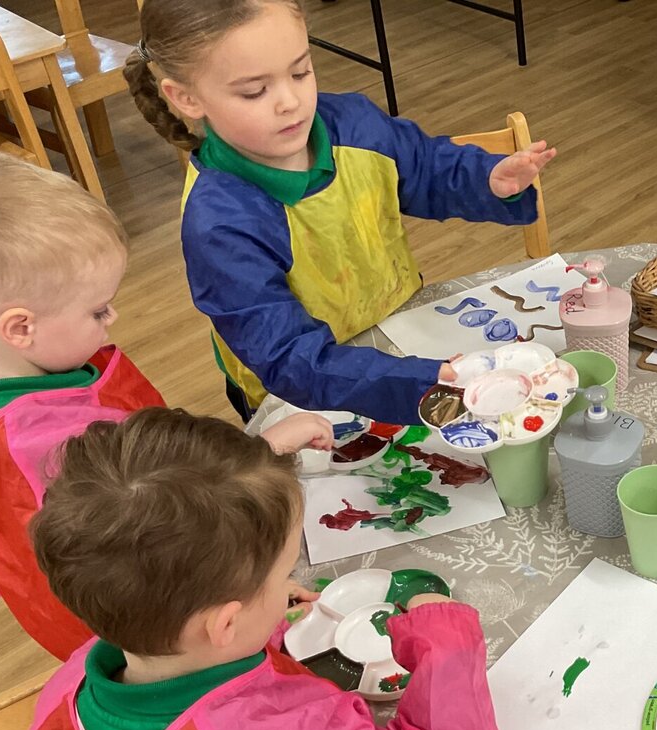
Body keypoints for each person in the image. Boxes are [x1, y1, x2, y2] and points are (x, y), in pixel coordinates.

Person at [23, 407, 500, 730]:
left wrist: (264, 617)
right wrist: (448, 651)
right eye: (283, 572)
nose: (288, 581)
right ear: (224, 624)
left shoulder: (60, 697)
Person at [0, 154, 331, 660]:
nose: (114, 316)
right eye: (98, 309)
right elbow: (165, 535)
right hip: (152, 625)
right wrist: (261, 453)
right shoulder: (44, 447)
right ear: (20, 327)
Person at [124, 0, 557, 423]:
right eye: (255, 91)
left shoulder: (354, 122)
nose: (290, 101)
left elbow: (424, 166)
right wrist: (415, 380)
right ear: (186, 98)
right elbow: (290, 360)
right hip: (304, 394)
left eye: (301, 71)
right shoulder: (220, 224)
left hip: (398, 327)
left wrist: (486, 177)